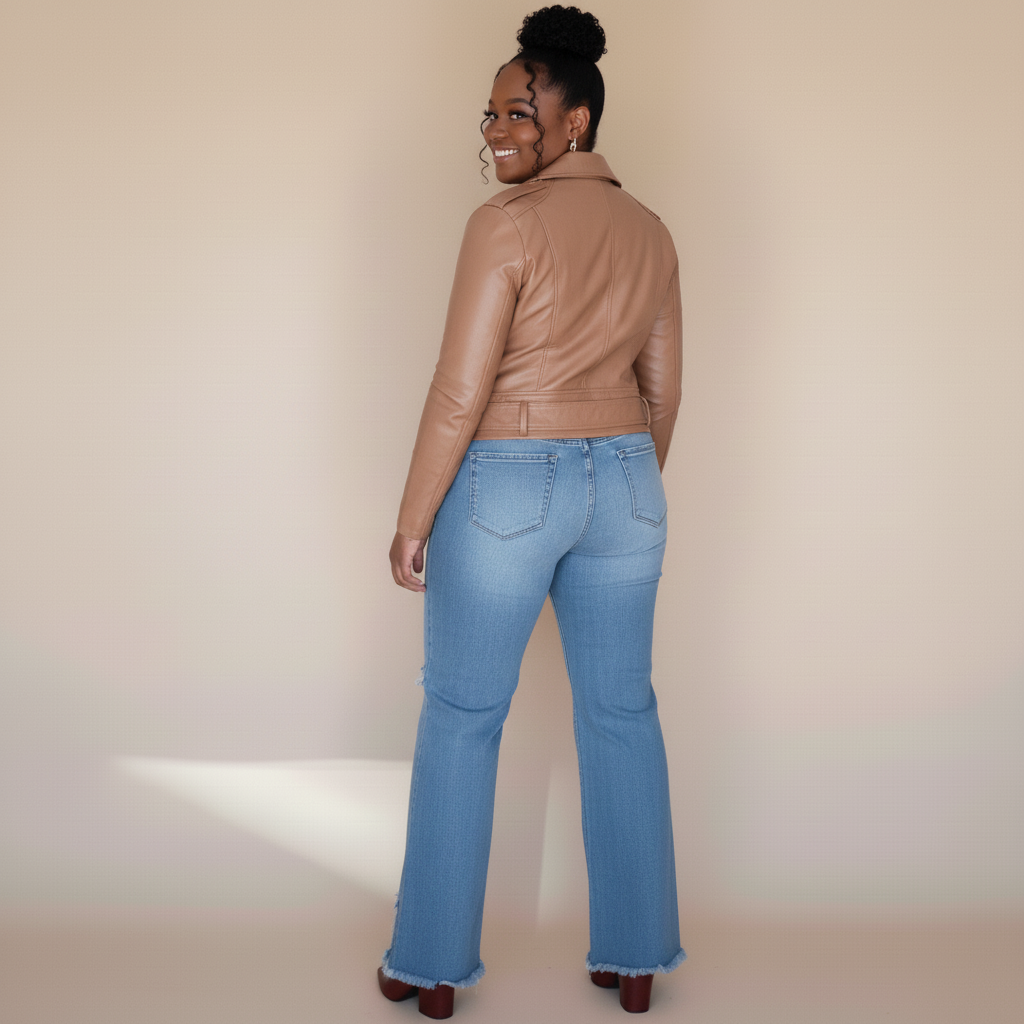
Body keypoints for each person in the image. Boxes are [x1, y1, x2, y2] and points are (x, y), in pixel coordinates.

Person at [376, 6, 684, 1018]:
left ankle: (428, 968)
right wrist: (627, 482)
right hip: (631, 483)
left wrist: (416, 513)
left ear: (576, 121)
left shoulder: (501, 227)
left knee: (463, 719)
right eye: (491, 112)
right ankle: (635, 959)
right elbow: (663, 387)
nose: (496, 130)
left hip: (506, 481)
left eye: (520, 110)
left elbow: (459, 390)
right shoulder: (650, 230)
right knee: (622, 715)